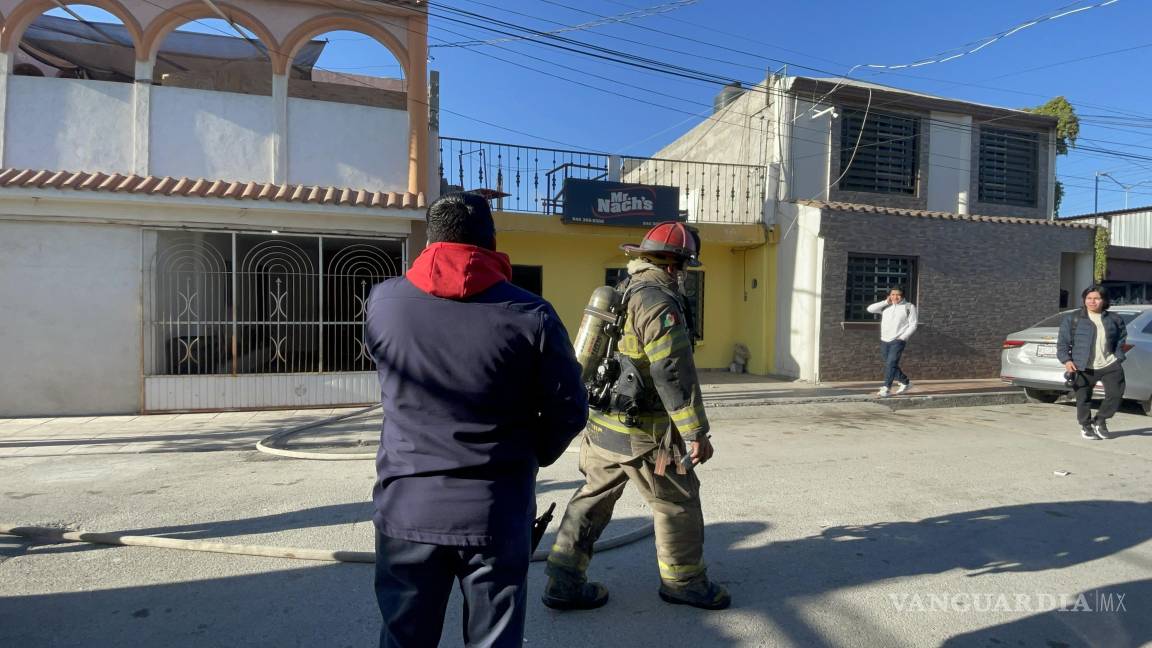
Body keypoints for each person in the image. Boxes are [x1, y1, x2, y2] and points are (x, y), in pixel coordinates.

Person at [364, 192, 588, 648]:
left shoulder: (383, 302)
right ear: (490, 243)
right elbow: (570, 409)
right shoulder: (531, 316)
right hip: (494, 512)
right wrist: (533, 454)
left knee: (404, 639)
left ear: (431, 239)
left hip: (407, 507)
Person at [543, 221, 731, 612]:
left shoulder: (622, 291)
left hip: (601, 428)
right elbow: (671, 372)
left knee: (590, 500)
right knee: (677, 503)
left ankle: (563, 579)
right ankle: (684, 581)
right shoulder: (659, 302)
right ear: (675, 265)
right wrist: (696, 432)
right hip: (645, 434)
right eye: (684, 267)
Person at [1057, 285, 1128, 440]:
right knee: (1083, 398)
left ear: (1104, 300)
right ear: (1084, 300)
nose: (1092, 301)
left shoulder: (1114, 319)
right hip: (1082, 365)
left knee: (1116, 394)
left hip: (1110, 364)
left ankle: (1100, 420)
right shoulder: (1074, 318)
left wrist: (1118, 356)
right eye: (1089, 298)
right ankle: (1086, 426)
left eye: (1096, 298)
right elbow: (1062, 343)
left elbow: (1121, 339)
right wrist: (1067, 360)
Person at [866, 287, 918, 397]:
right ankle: (906, 382)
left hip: (898, 340)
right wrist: (885, 301)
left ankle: (886, 388)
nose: (895, 297)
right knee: (891, 364)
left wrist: (903, 337)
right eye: (893, 294)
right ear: (889, 295)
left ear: (902, 295)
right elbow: (870, 309)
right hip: (884, 339)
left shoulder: (909, 307)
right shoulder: (886, 306)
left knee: (891, 363)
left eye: (898, 295)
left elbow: (913, 324)